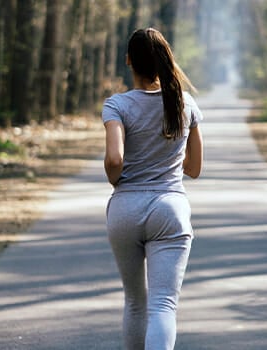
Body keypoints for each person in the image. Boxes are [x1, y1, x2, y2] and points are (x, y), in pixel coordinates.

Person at [102, 28, 203, 350]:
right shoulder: (185, 104)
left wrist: (117, 179)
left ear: (129, 60)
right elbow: (195, 168)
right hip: (169, 208)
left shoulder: (117, 105)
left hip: (125, 210)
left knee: (135, 302)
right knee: (163, 305)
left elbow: (114, 158)